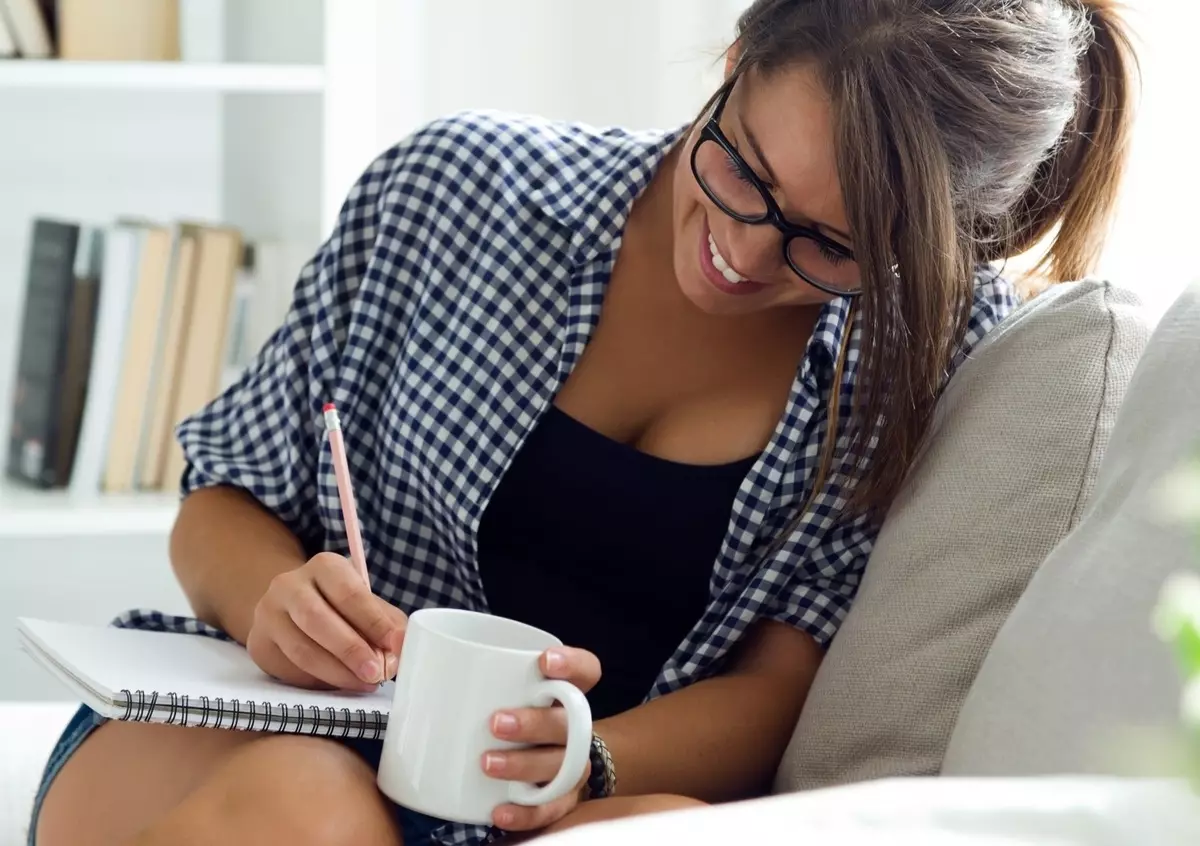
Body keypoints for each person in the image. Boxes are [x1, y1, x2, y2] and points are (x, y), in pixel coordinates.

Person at [32, 1, 1134, 844]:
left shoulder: (919, 354)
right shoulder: (458, 186)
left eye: (826, 246)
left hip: (547, 799)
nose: (744, 255)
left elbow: (778, 678)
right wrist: (268, 599)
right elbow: (221, 497)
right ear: (732, 63)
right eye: (742, 167)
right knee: (306, 797)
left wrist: (586, 759)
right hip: (254, 738)